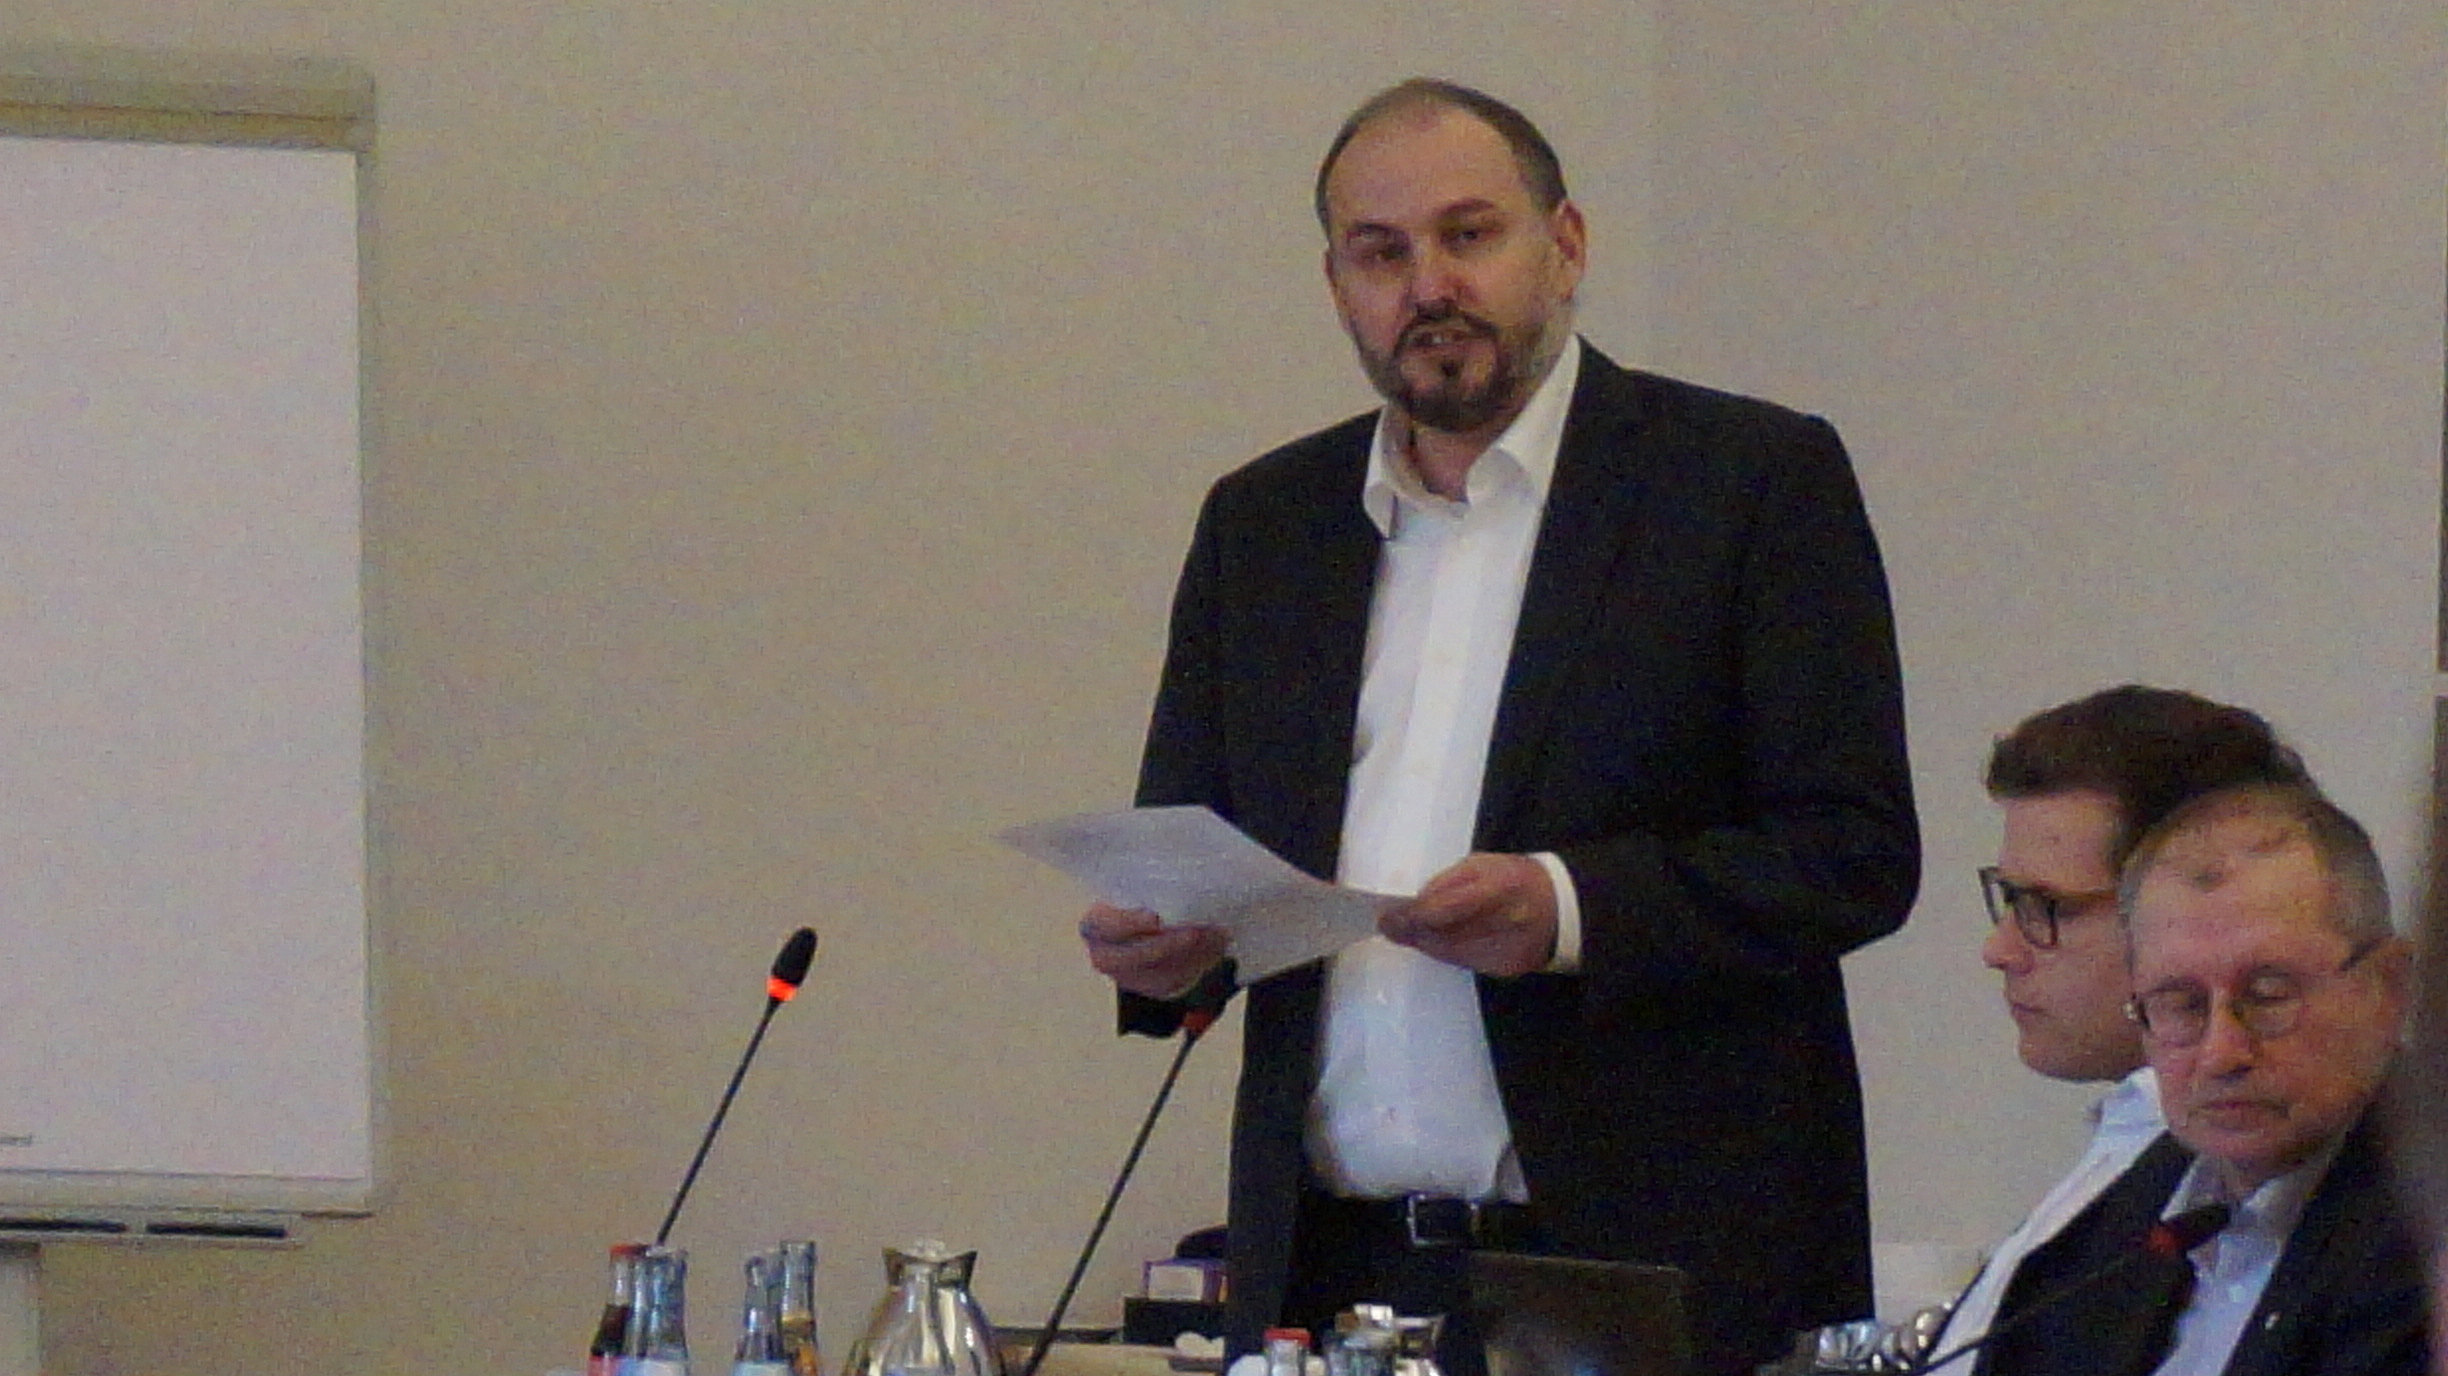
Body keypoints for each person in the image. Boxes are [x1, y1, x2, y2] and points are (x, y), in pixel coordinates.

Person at [1076, 78, 1918, 1375]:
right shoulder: (1266, 524)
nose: (1429, 286)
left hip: (1642, 1263)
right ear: (1337, 285)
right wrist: (1167, 948)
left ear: (1564, 245)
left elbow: (1854, 852)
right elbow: (1200, 850)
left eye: (1468, 234)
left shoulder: (1746, 482)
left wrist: (1569, 909)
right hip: (1327, 1268)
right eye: (1381, 252)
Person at [1974, 783, 2427, 1376]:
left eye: (2268, 996)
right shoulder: (2119, 1228)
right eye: (2181, 1005)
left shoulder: (2425, 1236)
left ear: (2389, 989)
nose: (2221, 1054)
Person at [1939, 687, 2313, 1353]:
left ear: (2191, 912)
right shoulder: (2133, 1132)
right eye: (2009, 898)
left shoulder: (2241, 1169)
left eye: (2046, 906)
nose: (1999, 950)